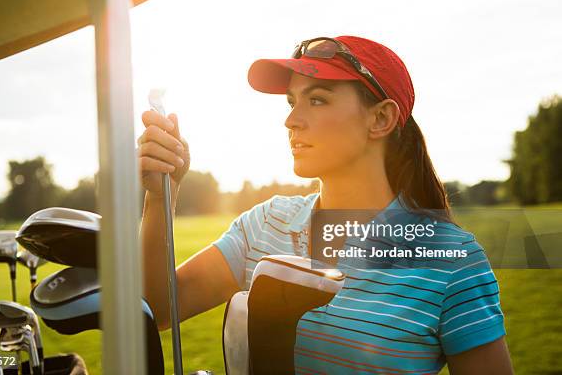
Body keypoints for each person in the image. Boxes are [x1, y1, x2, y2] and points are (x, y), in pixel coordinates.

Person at [137, 35, 514, 374]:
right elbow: (157, 305)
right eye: (291, 101)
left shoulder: (453, 258)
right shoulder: (265, 224)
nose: (291, 120)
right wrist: (160, 197)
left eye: (317, 99)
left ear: (381, 118)